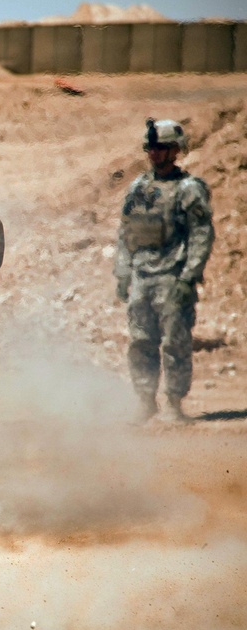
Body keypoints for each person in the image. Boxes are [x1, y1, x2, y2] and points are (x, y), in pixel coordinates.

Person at [113, 118, 214, 423]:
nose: (154, 154)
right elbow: (126, 231)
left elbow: (201, 235)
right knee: (140, 342)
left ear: (174, 151)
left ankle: (173, 403)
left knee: (175, 342)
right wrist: (123, 272)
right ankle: (145, 401)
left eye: (160, 148)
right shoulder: (139, 188)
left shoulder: (189, 190)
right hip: (143, 276)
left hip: (173, 276)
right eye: (151, 148)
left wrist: (189, 276)